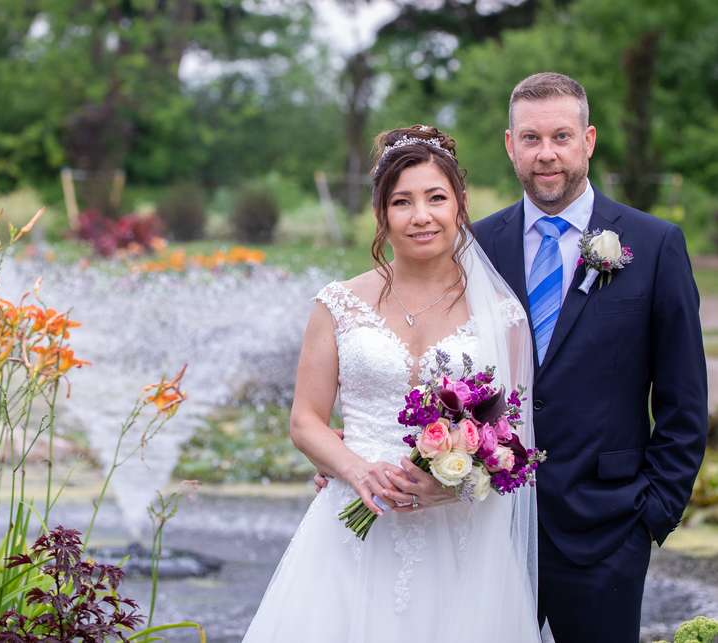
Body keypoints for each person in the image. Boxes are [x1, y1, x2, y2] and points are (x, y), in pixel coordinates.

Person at [243, 125, 542, 642]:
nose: (420, 215)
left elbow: (513, 441)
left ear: (460, 205)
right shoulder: (337, 304)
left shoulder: (502, 315)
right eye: (402, 201)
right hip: (352, 525)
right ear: (381, 213)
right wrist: (356, 471)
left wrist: (456, 483)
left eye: (436, 198)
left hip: (461, 542)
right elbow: (305, 421)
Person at [469, 72, 708, 642]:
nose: (546, 154)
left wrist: (653, 513)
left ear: (589, 140)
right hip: (489, 527)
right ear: (509, 145)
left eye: (560, 137)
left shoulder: (653, 246)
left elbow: (683, 398)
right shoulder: (476, 245)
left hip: (609, 527)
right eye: (530, 139)